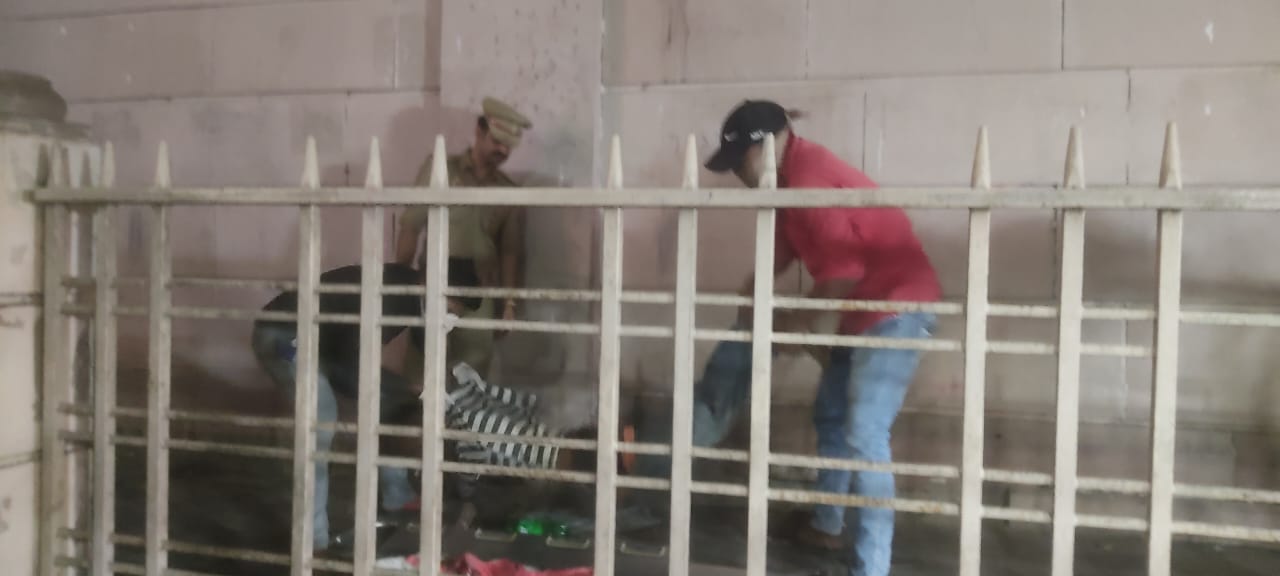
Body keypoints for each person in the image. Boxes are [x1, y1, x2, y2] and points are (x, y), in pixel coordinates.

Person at [703, 100, 941, 575]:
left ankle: (872, 566)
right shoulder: (788, 182)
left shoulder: (809, 178)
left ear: (765, 146)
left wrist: (803, 325)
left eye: (740, 163)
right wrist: (757, 284)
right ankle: (827, 524)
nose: (739, 177)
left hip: (897, 307)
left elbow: (842, 271)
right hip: (862, 311)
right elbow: (788, 244)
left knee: (865, 432)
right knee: (832, 417)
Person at [250, 259, 482, 550]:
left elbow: (424, 341)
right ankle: (313, 540)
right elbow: (353, 369)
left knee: (390, 400)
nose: (451, 317)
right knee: (321, 417)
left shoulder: (417, 296)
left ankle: (398, 497)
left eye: (456, 314)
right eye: (450, 308)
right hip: (284, 336)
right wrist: (407, 386)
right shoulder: (391, 299)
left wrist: (445, 375)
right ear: (428, 283)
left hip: (325, 347)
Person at [395, 97, 531, 381]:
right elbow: (411, 225)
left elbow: (510, 252)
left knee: (472, 379)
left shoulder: (508, 191)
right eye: (497, 141)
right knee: (421, 375)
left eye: (509, 146)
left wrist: (509, 304)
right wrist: (400, 281)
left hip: (479, 292)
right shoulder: (441, 171)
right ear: (479, 131)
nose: (503, 150)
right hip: (434, 285)